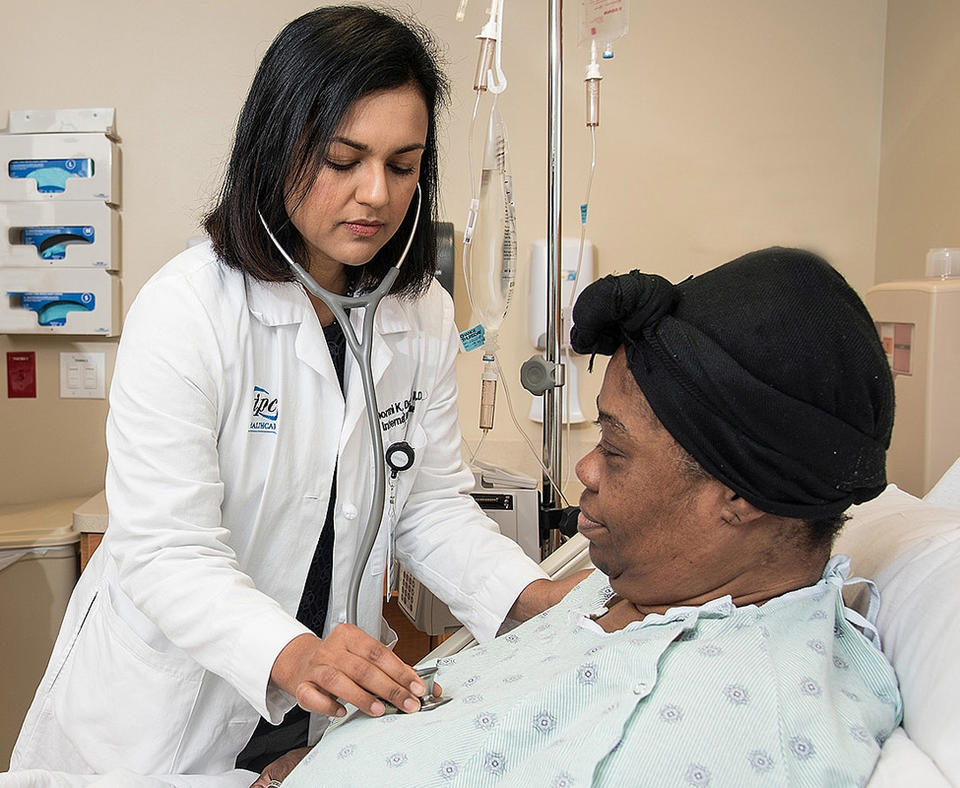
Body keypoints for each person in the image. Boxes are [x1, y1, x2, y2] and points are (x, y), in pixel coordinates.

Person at [8, 6, 577, 782]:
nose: (376, 193)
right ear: (278, 145)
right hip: (170, 715)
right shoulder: (189, 309)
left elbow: (431, 505)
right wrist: (292, 650)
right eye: (344, 159)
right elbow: (167, 548)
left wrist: (531, 595)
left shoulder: (421, 314)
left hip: (314, 709)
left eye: (403, 165)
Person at [261, 247, 901, 787]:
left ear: (742, 494)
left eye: (615, 449)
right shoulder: (635, 585)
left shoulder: (740, 724)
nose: (586, 471)